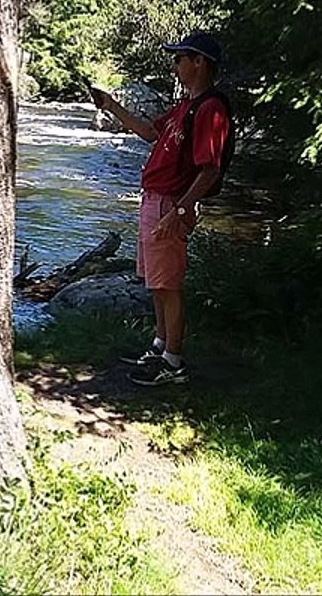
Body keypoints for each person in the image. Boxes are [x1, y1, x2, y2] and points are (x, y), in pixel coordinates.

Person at [89, 31, 231, 387]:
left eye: (180, 58)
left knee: (169, 286)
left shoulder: (210, 108)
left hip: (171, 204)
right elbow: (149, 133)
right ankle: (160, 345)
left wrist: (180, 211)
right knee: (156, 283)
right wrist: (110, 105)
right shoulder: (184, 105)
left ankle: (173, 362)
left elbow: (210, 168)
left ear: (199, 62)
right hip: (154, 200)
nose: (175, 64)